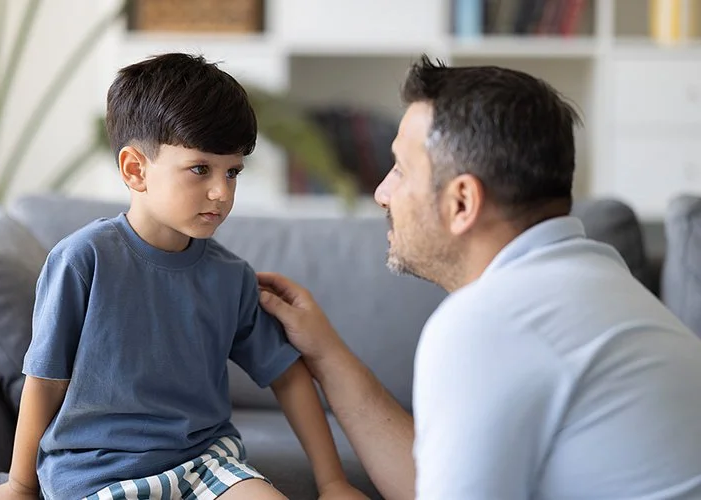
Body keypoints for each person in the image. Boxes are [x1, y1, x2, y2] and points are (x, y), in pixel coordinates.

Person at [258, 55, 701, 500]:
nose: (381, 193)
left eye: (400, 170)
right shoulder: (599, 283)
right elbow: (431, 484)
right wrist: (327, 354)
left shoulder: (490, 324)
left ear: (462, 202)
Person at [0, 53, 364, 500]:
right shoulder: (81, 260)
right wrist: (19, 484)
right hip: (96, 472)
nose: (222, 192)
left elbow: (288, 375)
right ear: (135, 169)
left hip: (207, 461)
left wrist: (333, 482)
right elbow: (46, 380)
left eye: (233, 172)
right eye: (200, 169)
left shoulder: (232, 278)